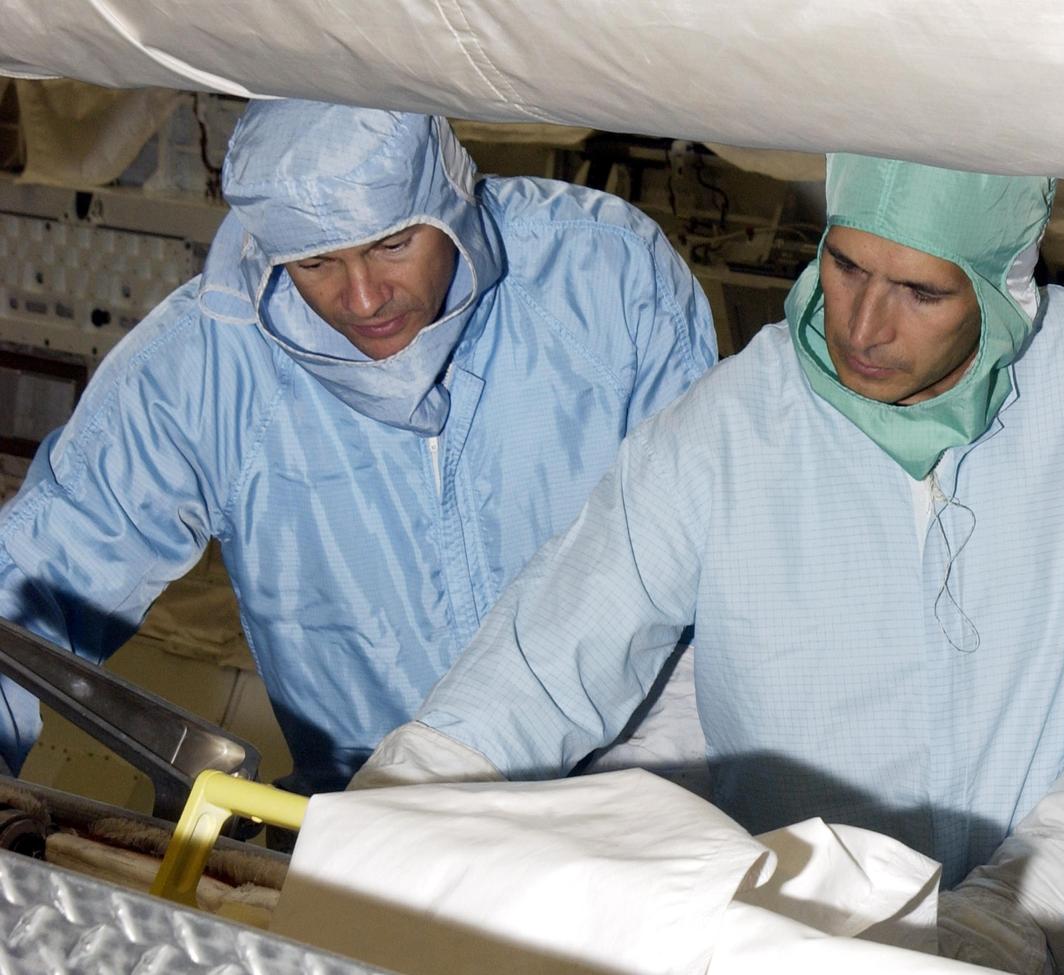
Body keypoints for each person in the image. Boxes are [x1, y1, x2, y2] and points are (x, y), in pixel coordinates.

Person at [354, 154, 1064, 973]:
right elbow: (547, 659)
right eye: (846, 267)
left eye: (921, 292)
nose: (863, 326)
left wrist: (1000, 928)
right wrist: (383, 827)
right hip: (790, 943)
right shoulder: (737, 421)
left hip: (1056, 938)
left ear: (1003, 288)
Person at [0, 100, 716, 795]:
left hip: (613, 806)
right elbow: (41, 573)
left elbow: (694, 574)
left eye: (393, 243)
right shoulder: (212, 360)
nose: (365, 298)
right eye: (316, 263)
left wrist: (635, 811)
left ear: (449, 194)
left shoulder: (606, 281)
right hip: (369, 820)